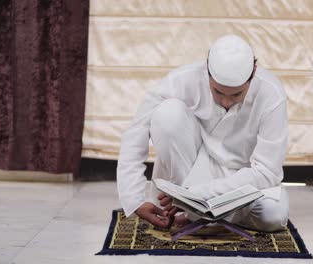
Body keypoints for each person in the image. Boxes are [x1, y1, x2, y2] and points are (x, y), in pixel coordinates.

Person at [117, 34, 289, 232]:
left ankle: (192, 212)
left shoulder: (272, 93)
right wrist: (135, 199)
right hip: (190, 169)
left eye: (236, 94)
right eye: (218, 92)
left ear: (254, 73)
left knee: (273, 215)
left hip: (242, 181)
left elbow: (267, 171)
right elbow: (136, 132)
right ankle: (195, 212)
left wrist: (197, 193)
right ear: (207, 70)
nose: (226, 102)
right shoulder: (182, 79)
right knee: (167, 114)